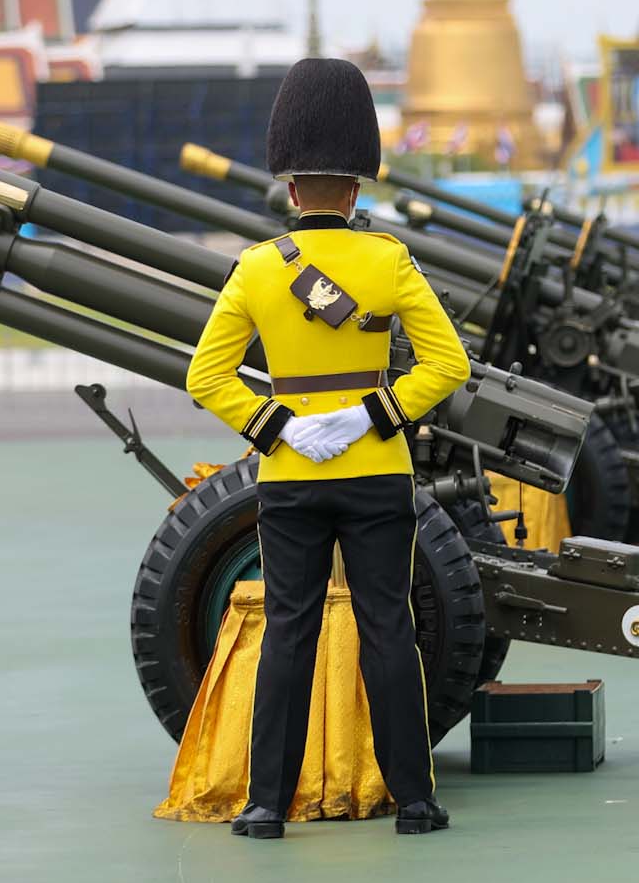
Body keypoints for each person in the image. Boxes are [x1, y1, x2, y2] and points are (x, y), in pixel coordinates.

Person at [186, 58, 471, 841]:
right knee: (388, 626)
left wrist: (280, 426)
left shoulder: (255, 270)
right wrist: (374, 415)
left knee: (289, 630)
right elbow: (450, 364)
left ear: (288, 189)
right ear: (355, 191)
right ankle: (413, 799)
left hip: (289, 478)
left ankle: (266, 803)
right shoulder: (387, 262)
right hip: (378, 471)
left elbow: (205, 375)